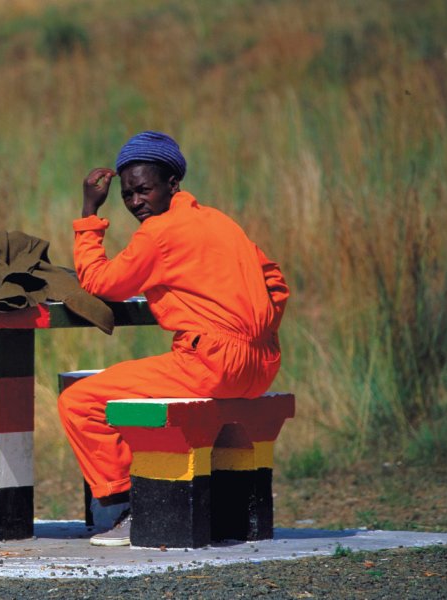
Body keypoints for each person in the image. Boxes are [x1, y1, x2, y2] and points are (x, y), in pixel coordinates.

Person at [58, 131, 290, 546]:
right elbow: (275, 280)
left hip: (212, 364)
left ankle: (128, 507)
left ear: (173, 184)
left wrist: (90, 213)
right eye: (128, 195)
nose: (134, 203)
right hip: (263, 365)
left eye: (143, 190)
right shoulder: (221, 222)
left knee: (80, 401)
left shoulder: (158, 234)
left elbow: (98, 280)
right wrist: (260, 326)